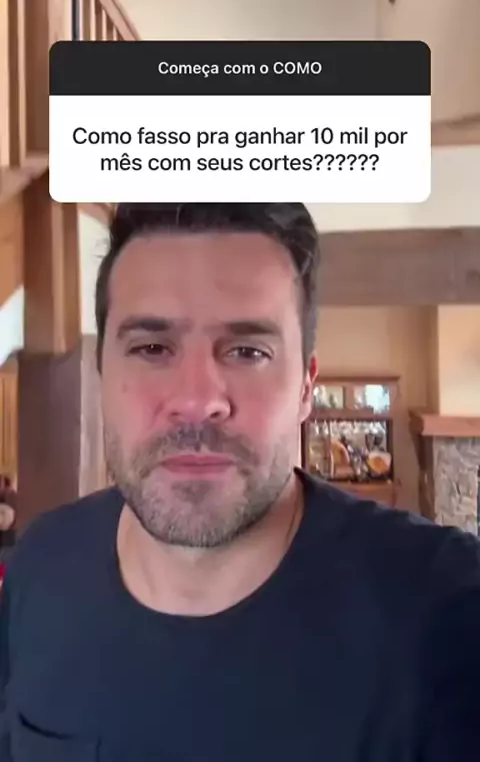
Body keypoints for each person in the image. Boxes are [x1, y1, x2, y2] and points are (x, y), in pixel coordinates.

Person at [1, 203, 479, 761]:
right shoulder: (42, 568)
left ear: (306, 388)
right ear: (102, 374)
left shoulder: (447, 614)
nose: (196, 401)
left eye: (248, 351)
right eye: (152, 348)